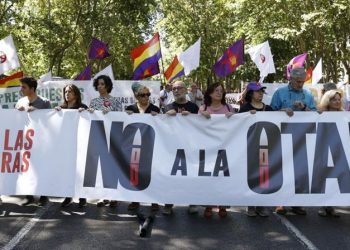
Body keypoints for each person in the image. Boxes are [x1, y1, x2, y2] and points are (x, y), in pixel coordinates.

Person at [270, 67, 316, 215]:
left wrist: (304, 107)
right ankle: (281, 202)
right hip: (282, 136)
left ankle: (297, 203)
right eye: (298, 81)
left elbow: (316, 115)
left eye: (303, 82)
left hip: (302, 137)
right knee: (282, 168)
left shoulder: (308, 95)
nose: (300, 84)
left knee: (300, 169)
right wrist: (282, 111)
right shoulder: (279, 93)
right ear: (290, 79)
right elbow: (269, 113)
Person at [163, 80, 199, 215]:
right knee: (171, 175)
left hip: (190, 147)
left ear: (185, 90)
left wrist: (192, 117)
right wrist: (166, 116)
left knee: (191, 175)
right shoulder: (168, 107)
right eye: (174, 89)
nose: (176, 91)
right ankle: (168, 203)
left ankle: (192, 202)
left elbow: (200, 126)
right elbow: (161, 125)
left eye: (179, 88)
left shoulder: (193, 107)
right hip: (172, 148)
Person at [199, 82, 234, 218]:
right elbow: (196, 125)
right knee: (209, 177)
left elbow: (236, 124)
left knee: (223, 177)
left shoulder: (228, 107)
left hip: (225, 147)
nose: (219, 93)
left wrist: (233, 116)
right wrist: (202, 115)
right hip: (208, 148)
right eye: (216, 90)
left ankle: (223, 205)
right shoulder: (203, 108)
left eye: (221, 91)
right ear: (209, 93)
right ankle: (208, 205)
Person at [16, 76, 51, 206]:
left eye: (24, 87)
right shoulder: (20, 102)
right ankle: (29, 195)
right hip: (25, 142)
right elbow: (15, 122)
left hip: (40, 142)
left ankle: (43, 195)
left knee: (41, 168)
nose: (21, 89)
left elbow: (51, 122)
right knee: (26, 168)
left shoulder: (45, 102)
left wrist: (38, 112)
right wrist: (17, 113)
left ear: (32, 88)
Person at [239, 82, 273, 217]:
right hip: (249, 148)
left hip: (266, 147)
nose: (260, 93)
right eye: (257, 91)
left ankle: (261, 204)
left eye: (261, 91)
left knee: (264, 177)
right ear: (250, 94)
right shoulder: (244, 108)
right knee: (251, 176)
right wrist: (247, 116)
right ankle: (251, 205)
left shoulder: (269, 109)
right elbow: (238, 124)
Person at [88, 75, 122, 207]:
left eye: (102, 84)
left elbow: (121, 118)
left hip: (113, 138)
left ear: (108, 85)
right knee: (101, 169)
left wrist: (112, 114)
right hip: (99, 138)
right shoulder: (94, 102)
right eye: (98, 84)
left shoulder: (116, 102)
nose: (100, 86)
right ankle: (103, 196)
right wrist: (90, 113)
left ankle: (114, 197)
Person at [125, 82, 160, 211]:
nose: (146, 97)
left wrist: (159, 117)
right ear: (136, 96)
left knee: (151, 173)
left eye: (148, 94)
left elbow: (161, 127)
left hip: (150, 145)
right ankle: (135, 200)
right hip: (134, 147)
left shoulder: (155, 109)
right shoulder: (130, 109)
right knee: (135, 173)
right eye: (142, 95)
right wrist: (125, 117)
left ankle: (154, 201)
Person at [55, 84, 88, 208]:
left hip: (79, 143)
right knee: (67, 171)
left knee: (79, 170)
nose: (67, 94)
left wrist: (85, 112)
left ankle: (82, 196)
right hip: (65, 145)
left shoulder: (82, 107)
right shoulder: (61, 108)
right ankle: (68, 196)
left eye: (70, 91)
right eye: (65, 92)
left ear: (76, 94)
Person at [316, 89, 342, 217]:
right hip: (324, 148)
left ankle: (331, 205)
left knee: (335, 177)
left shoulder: (344, 114)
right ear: (328, 100)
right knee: (324, 177)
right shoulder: (321, 114)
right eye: (334, 99)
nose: (337, 102)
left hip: (339, 150)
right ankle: (322, 205)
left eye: (338, 99)